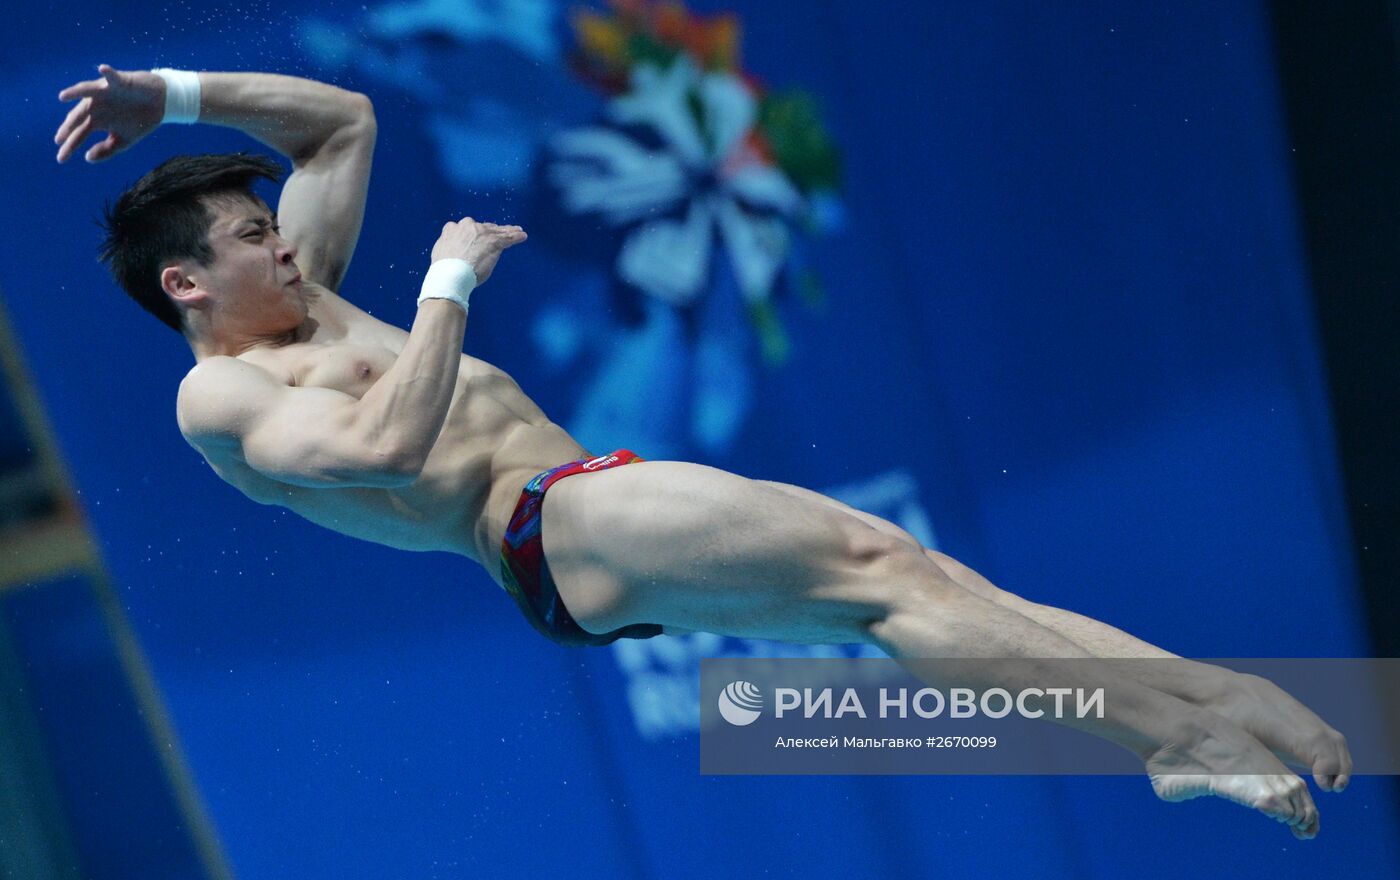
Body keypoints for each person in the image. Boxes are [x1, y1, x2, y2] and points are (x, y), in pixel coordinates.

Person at [54, 64, 1349, 838]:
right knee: (875, 569)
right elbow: (392, 442)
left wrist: (165, 95)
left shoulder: (311, 290)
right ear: (185, 283)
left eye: (273, 228)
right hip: (539, 531)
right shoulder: (222, 401)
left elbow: (337, 124)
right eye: (248, 237)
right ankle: (1166, 744)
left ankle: (1204, 707)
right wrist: (447, 284)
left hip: (579, 510)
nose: (282, 242)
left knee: (913, 581)